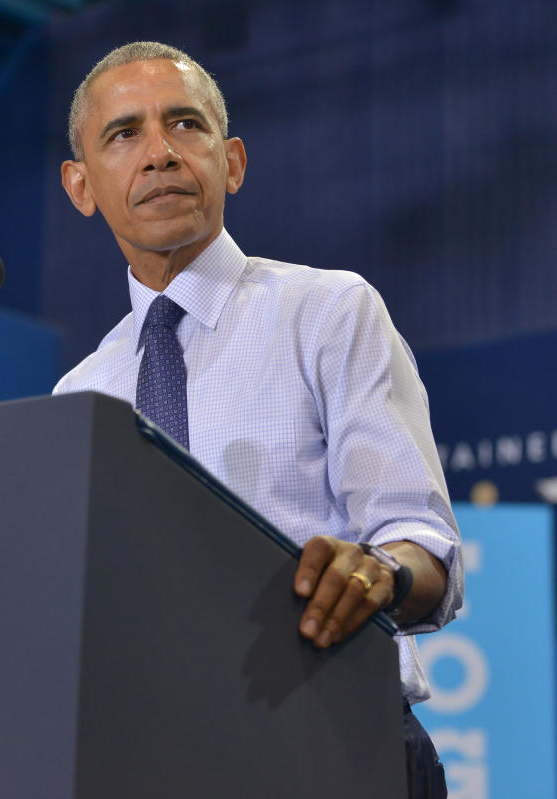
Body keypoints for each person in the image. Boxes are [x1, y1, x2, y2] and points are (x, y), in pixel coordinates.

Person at [52, 41, 462, 797]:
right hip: (151, 760)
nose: (159, 154)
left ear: (230, 161)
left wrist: (379, 571)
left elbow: (424, 550)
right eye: (124, 134)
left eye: (184, 125)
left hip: (337, 738)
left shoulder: (328, 311)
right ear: (81, 186)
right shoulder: (78, 396)